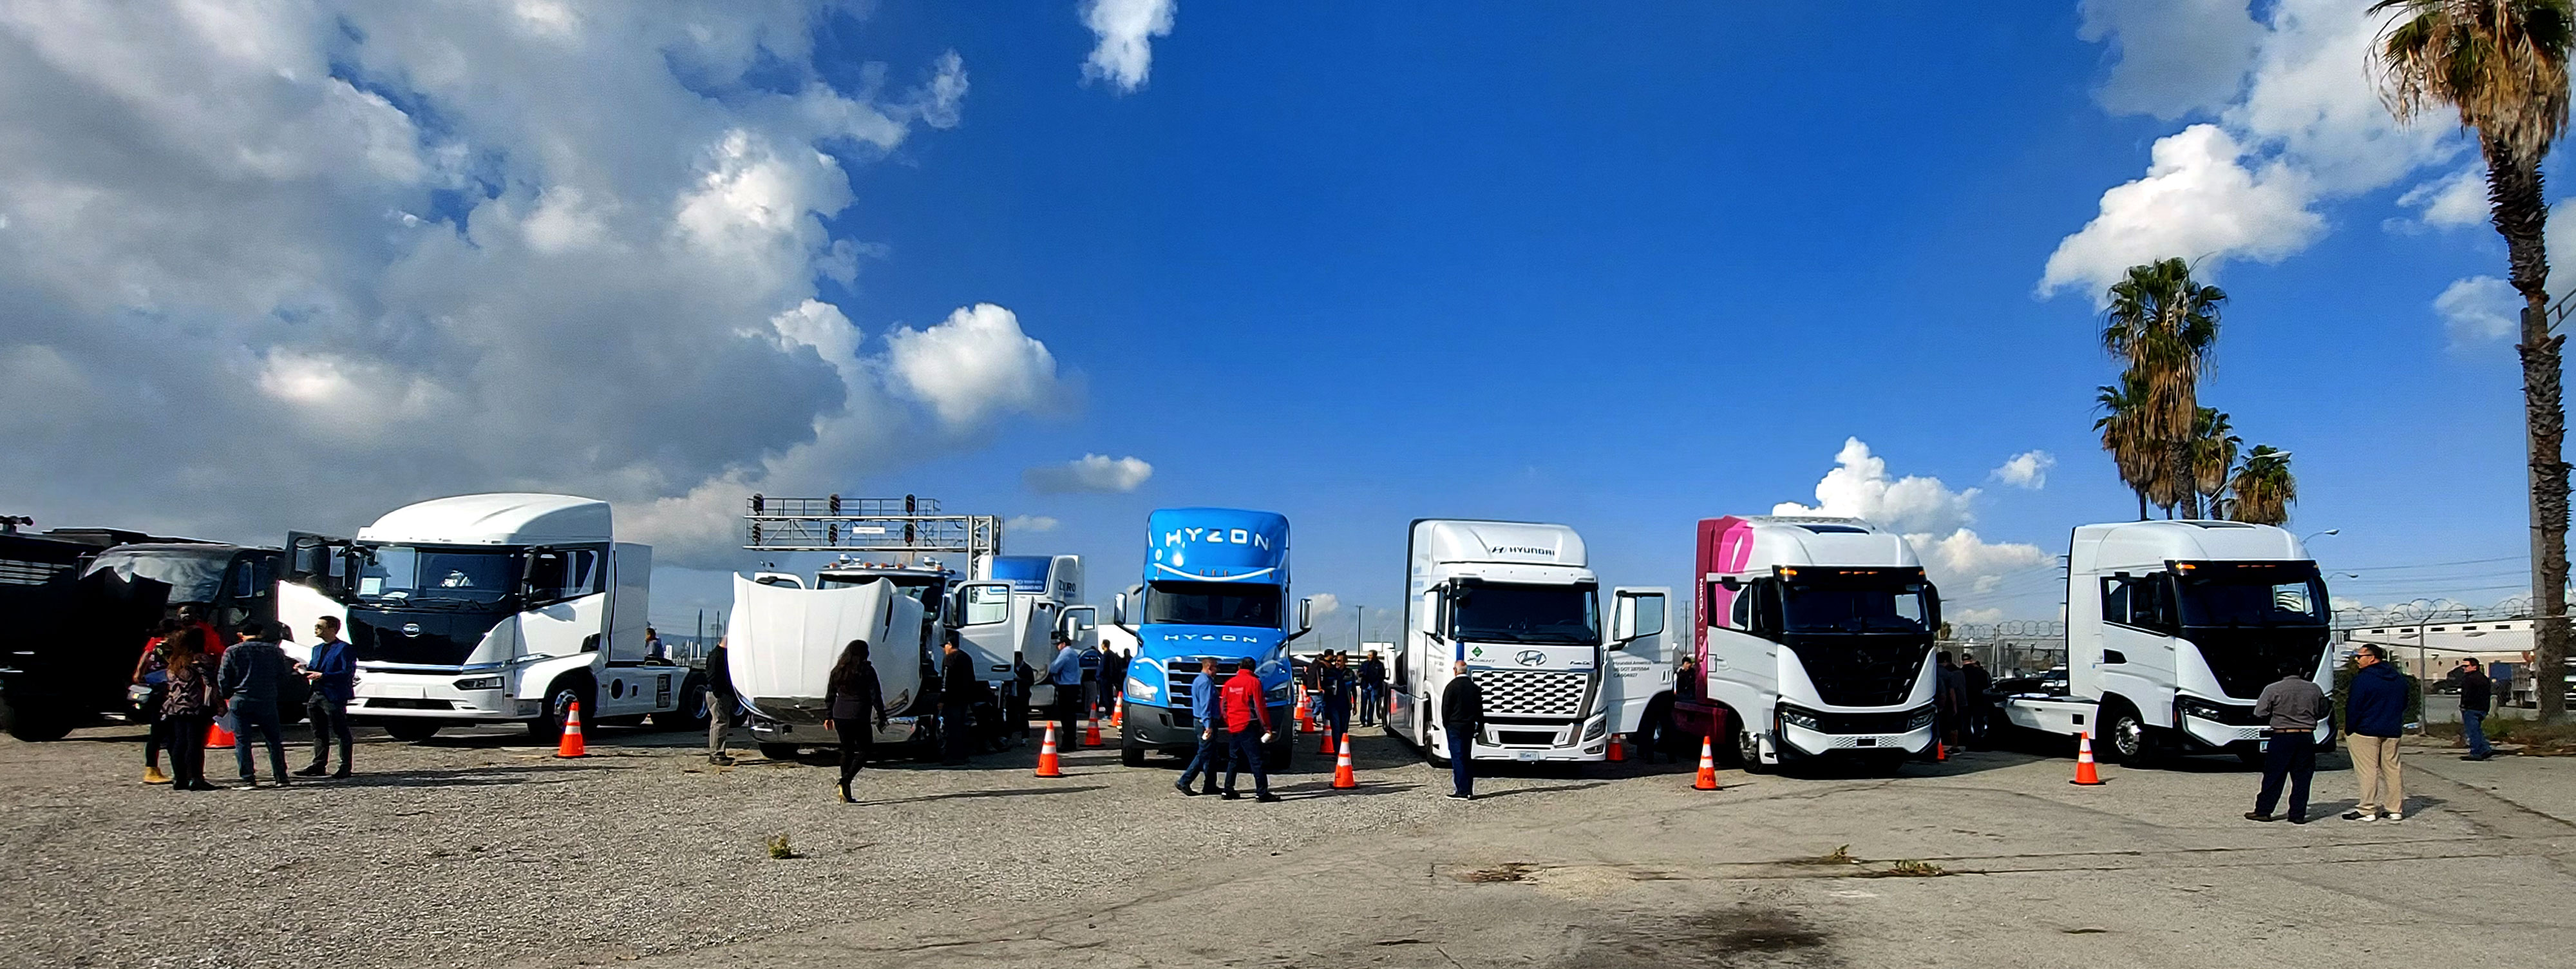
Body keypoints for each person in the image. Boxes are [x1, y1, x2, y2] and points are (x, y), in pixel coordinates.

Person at [2244, 668, 2326, 823]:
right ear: (2301, 671)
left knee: (2274, 775)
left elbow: (2260, 712)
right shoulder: (2314, 688)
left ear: (2280, 670)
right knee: (2303, 776)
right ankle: (2298, 814)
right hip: (2306, 736)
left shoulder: (2273, 688)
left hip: (2282, 735)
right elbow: (2322, 710)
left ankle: (2264, 810)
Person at [218, 621, 293, 789]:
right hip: (266, 698)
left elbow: (224, 677)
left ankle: (248, 778)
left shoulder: (232, 651)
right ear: (262, 633)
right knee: (273, 740)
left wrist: (226, 694)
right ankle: (281, 777)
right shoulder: (274, 651)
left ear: (241, 635)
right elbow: (283, 675)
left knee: (243, 741)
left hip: (241, 698)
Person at [2344, 644, 2409, 821]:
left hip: (2365, 730)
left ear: (2372, 658)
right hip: (2392, 729)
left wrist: (2349, 728)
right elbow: (2404, 703)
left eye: (2360, 656)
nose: (2357, 659)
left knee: (2367, 770)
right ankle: (2395, 809)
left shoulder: (2363, 679)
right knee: (2392, 769)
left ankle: (2367, 809)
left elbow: (2354, 707)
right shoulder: (2398, 679)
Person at [823, 639, 887, 802]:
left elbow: (830, 694)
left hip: (840, 714)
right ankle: (846, 779)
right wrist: (882, 715)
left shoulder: (838, 670)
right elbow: (875, 695)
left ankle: (846, 792)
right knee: (866, 749)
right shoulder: (867, 670)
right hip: (859, 714)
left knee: (847, 751)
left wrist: (828, 715)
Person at [158, 628, 222, 792]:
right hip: (196, 705)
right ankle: (196, 777)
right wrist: (218, 704)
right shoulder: (201, 660)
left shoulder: (175, 661)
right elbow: (211, 683)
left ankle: (180, 778)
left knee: (180, 742)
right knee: (195, 743)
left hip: (175, 706)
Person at [296, 616, 355, 778]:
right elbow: (315, 668)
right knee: (318, 731)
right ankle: (319, 764)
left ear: (332, 629)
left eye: (320, 626)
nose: (316, 629)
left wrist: (324, 676)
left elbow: (347, 673)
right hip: (316, 694)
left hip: (333, 695)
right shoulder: (316, 649)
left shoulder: (344, 649)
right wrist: (304, 669)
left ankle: (345, 766)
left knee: (340, 731)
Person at [1218, 658, 1279, 801]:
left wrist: (1230, 720)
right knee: (1256, 760)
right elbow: (1259, 707)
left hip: (1234, 725)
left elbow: (1223, 706)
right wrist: (1267, 728)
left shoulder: (1229, 683)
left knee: (1234, 758)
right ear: (1254, 668)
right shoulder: (1254, 682)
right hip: (1248, 724)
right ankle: (1262, 793)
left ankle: (1228, 790)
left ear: (1239, 667)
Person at [134, 618, 180, 785]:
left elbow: (145, 657)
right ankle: (158, 769)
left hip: (154, 687)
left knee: (158, 733)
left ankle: (155, 769)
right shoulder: (168, 646)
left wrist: (139, 674)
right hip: (164, 690)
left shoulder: (154, 642)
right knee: (165, 734)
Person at [1175, 657, 1229, 796]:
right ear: (1210, 667)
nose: (1218, 670)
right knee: (1204, 753)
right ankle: (1185, 780)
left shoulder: (1199, 680)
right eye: (1216, 667)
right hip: (1205, 721)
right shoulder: (1206, 683)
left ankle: (1210, 785)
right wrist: (1208, 725)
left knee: (1210, 754)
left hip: (1200, 720)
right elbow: (1205, 706)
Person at [1440, 660, 1483, 800]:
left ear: (1455, 670)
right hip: (1469, 726)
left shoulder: (1452, 687)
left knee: (1458, 757)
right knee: (1466, 756)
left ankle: (1462, 791)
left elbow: (1446, 708)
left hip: (1455, 725)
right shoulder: (1474, 688)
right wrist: (1480, 726)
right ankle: (1469, 789)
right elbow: (1479, 710)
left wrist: (1446, 723)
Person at [936, 637, 976, 765]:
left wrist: (942, 698)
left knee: (952, 728)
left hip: (952, 699)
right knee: (962, 726)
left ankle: (953, 756)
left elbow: (946, 681)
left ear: (950, 644)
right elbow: (972, 679)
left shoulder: (950, 659)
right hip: (964, 698)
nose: (943, 649)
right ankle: (963, 755)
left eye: (945, 646)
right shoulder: (967, 657)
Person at [1046, 631, 1084, 747]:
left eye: (1058, 644)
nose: (1057, 647)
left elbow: (1054, 668)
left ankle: (1068, 742)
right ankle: (1071, 740)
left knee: (1066, 715)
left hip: (1067, 687)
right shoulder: (1073, 653)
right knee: (1071, 715)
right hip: (1073, 686)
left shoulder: (1066, 653)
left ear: (1063, 644)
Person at [705, 636, 737, 765]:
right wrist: (718, 692)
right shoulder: (717, 656)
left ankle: (718, 752)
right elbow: (712, 675)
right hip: (718, 694)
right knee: (719, 722)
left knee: (721, 722)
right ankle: (716, 753)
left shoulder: (719, 654)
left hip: (722, 693)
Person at [2458, 658, 2495, 762]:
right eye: (2463, 666)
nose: (2464, 668)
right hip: (2483, 708)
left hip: (2471, 708)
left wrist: (2464, 705)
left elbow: (2467, 694)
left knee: (2472, 731)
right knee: (2477, 730)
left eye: (2466, 666)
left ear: (2474, 667)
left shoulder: (2469, 679)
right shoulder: (2483, 678)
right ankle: (2485, 749)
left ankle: (2476, 752)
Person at [1318, 651, 1353, 749]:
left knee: (1344, 729)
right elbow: (1324, 686)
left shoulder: (1350, 673)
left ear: (1345, 662)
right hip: (1333, 705)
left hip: (1346, 705)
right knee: (1336, 729)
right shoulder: (1331, 672)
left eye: (1340, 661)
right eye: (1336, 661)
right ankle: (1337, 751)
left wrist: (1354, 706)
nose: (1337, 663)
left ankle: (1344, 749)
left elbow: (1353, 689)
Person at [1934, 651, 1967, 752]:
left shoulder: (1932, 671)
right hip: (1947, 703)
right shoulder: (1950, 673)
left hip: (1932, 702)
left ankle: (1936, 747)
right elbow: (1951, 692)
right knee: (1952, 725)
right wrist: (1955, 706)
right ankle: (1954, 746)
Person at [1959, 654, 1993, 747]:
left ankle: (1967, 740)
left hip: (1965, 699)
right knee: (1978, 721)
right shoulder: (1980, 672)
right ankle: (1978, 739)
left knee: (1965, 721)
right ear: (1971, 659)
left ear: (1962, 660)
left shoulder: (1960, 672)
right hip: (1978, 699)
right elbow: (1986, 686)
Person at [1100, 646, 1130, 724]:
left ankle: (1109, 712)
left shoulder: (1107, 655)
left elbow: (1103, 668)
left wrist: (1099, 676)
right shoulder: (1117, 658)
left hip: (1110, 679)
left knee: (1107, 696)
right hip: (1116, 679)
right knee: (1111, 696)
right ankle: (1112, 711)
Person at [1358, 651, 1387, 727]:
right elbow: (1359, 672)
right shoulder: (1365, 664)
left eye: (1371, 655)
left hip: (1374, 687)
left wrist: (1376, 685)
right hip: (1365, 686)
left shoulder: (1379, 665)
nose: (1369, 657)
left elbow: (1382, 676)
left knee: (1372, 704)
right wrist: (1362, 674)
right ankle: (1363, 721)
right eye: (1368, 655)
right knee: (1364, 704)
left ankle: (1370, 721)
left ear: (1375, 656)